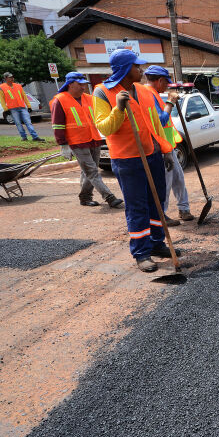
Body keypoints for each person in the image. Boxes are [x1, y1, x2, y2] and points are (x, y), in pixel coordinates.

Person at [92, 49, 176, 272]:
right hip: (128, 159)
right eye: (136, 66)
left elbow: (156, 123)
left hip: (152, 154)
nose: (141, 70)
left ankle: (157, 243)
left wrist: (165, 149)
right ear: (125, 69)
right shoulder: (102, 92)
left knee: (157, 201)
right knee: (137, 206)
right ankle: (141, 252)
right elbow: (104, 128)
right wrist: (118, 109)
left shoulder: (143, 90)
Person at [51, 71, 123, 209]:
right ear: (70, 84)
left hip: (94, 138)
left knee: (88, 171)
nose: (83, 87)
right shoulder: (59, 100)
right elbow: (57, 125)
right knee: (92, 171)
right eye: (80, 84)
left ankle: (85, 197)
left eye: (84, 84)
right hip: (77, 142)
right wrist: (63, 144)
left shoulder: (89, 98)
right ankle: (109, 197)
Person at [143, 65, 194, 225]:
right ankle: (161, 215)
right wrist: (170, 102)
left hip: (168, 146)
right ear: (159, 81)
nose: (167, 86)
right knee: (165, 182)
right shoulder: (148, 95)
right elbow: (160, 120)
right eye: (166, 82)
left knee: (178, 178)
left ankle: (184, 209)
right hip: (159, 147)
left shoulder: (155, 94)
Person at [0, 72, 43, 142]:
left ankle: (35, 137)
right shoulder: (1, 87)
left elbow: (24, 96)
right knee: (18, 123)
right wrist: (5, 109)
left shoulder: (18, 86)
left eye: (12, 77)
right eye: (10, 77)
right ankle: (24, 137)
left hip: (22, 107)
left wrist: (29, 106)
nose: (12, 78)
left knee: (28, 122)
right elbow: (2, 99)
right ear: (6, 78)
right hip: (12, 109)